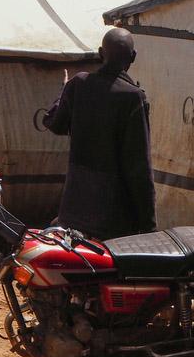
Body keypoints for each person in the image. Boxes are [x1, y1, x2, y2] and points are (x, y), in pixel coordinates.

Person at [43, 27, 156, 239]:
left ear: (100, 53)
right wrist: (148, 225)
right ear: (133, 57)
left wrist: (63, 93)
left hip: (73, 211)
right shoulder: (133, 98)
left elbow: (55, 124)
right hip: (113, 219)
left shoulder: (78, 84)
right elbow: (139, 166)